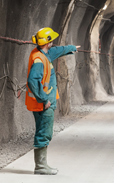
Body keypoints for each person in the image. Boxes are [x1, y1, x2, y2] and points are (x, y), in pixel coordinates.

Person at [26, 27, 80, 175]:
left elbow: (57, 51)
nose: (53, 43)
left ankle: (42, 165)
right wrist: (44, 99)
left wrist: (71, 48)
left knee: (44, 131)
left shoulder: (43, 53)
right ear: (47, 42)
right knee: (44, 133)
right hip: (43, 103)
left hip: (44, 102)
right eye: (52, 40)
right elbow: (33, 80)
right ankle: (41, 166)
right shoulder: (39, 60)